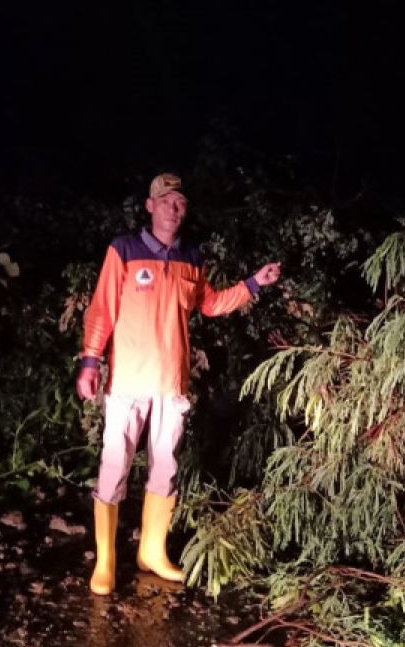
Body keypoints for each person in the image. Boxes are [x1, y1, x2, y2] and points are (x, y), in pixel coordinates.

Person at [76, 173, 281, 595]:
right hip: (127, 378)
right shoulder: (124, 250)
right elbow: (101, 309)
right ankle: (106, 560)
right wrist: (90, 361)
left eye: (181, 202)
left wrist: (252, 285)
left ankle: (152, 551)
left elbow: (209, 304)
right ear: (150, 206)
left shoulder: (192, 257)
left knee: (166, 466)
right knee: (114, 466)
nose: (174, 208)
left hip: (171, 379)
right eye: (166, 201)